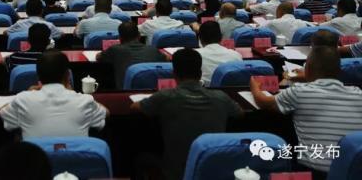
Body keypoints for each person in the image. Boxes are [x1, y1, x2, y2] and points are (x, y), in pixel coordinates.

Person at [132, 48, 242, 180]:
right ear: (200, 74)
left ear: (174, 74)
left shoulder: (165, 96)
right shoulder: (221, 97)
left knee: (141, 157)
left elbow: (134, 107)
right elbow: (240, 113)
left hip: (175, 173)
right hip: (211, 170)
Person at [251, 46, 362, 176]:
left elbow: (263, 102)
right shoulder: (358, 93)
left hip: (314, 172)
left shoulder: (299, 91)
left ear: (307, 68)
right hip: (353, 171)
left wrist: (255, 87)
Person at [0, 50, 108, 138]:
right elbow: (106, 113)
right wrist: (73, 92)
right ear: (67, 75)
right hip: (75, 159)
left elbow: (0, 114)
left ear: (38, 76)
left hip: (36, 158)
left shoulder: (23, 99)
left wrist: (27, 92)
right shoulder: (84, 101)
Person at [97, 22, 166, 89]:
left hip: (125, 92)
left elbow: (98, 57)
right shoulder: (153, 49)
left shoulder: (114, 49)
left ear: (120, 37)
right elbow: (166, 58)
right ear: (139, 36)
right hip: (152, 91)